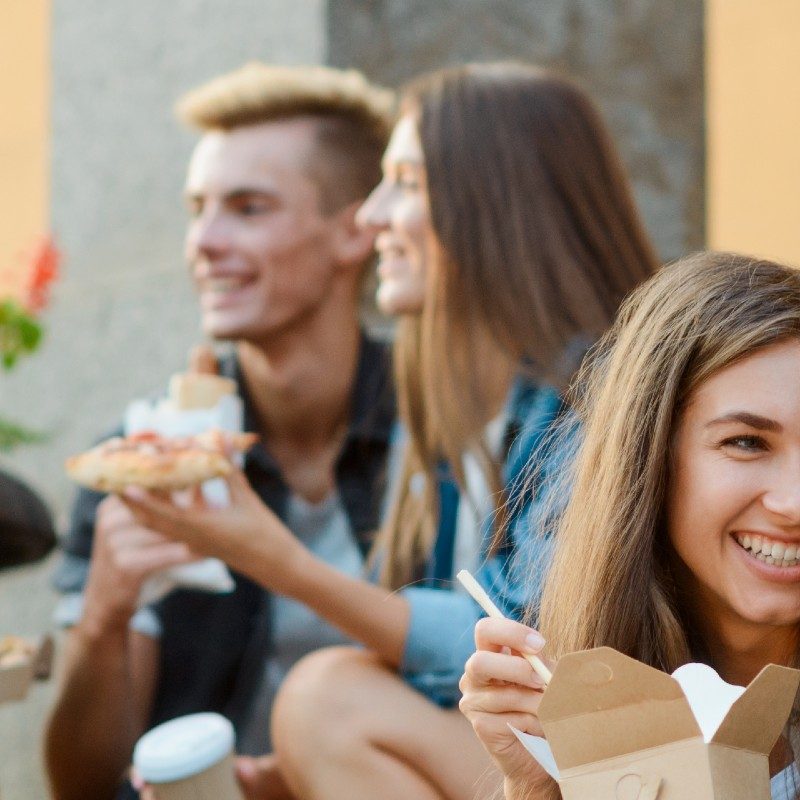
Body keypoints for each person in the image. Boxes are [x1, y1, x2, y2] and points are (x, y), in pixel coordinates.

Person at [121, 61, 659, 799]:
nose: (370, 215)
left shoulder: (599, 401)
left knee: (324, 698)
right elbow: (442, 691)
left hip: (612, 767)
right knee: (323, 708)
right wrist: (287, 775)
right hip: (522, 758)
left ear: (491, 206)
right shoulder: (451, 411)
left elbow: (526, 643)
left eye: (403, 184)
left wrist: (277, 561)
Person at [44, 62, 395, 800]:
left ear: (353, 233)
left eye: (247, 208)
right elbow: (81, 784)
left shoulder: (446, 436)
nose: (201, 241)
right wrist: (105, 616)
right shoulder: (141, 456)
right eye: (196, 208)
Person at [460, 252, 800, 800]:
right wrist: (534, 785)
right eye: (746, 442)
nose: (794, 502)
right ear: (650, 460)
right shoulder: (576, 705)